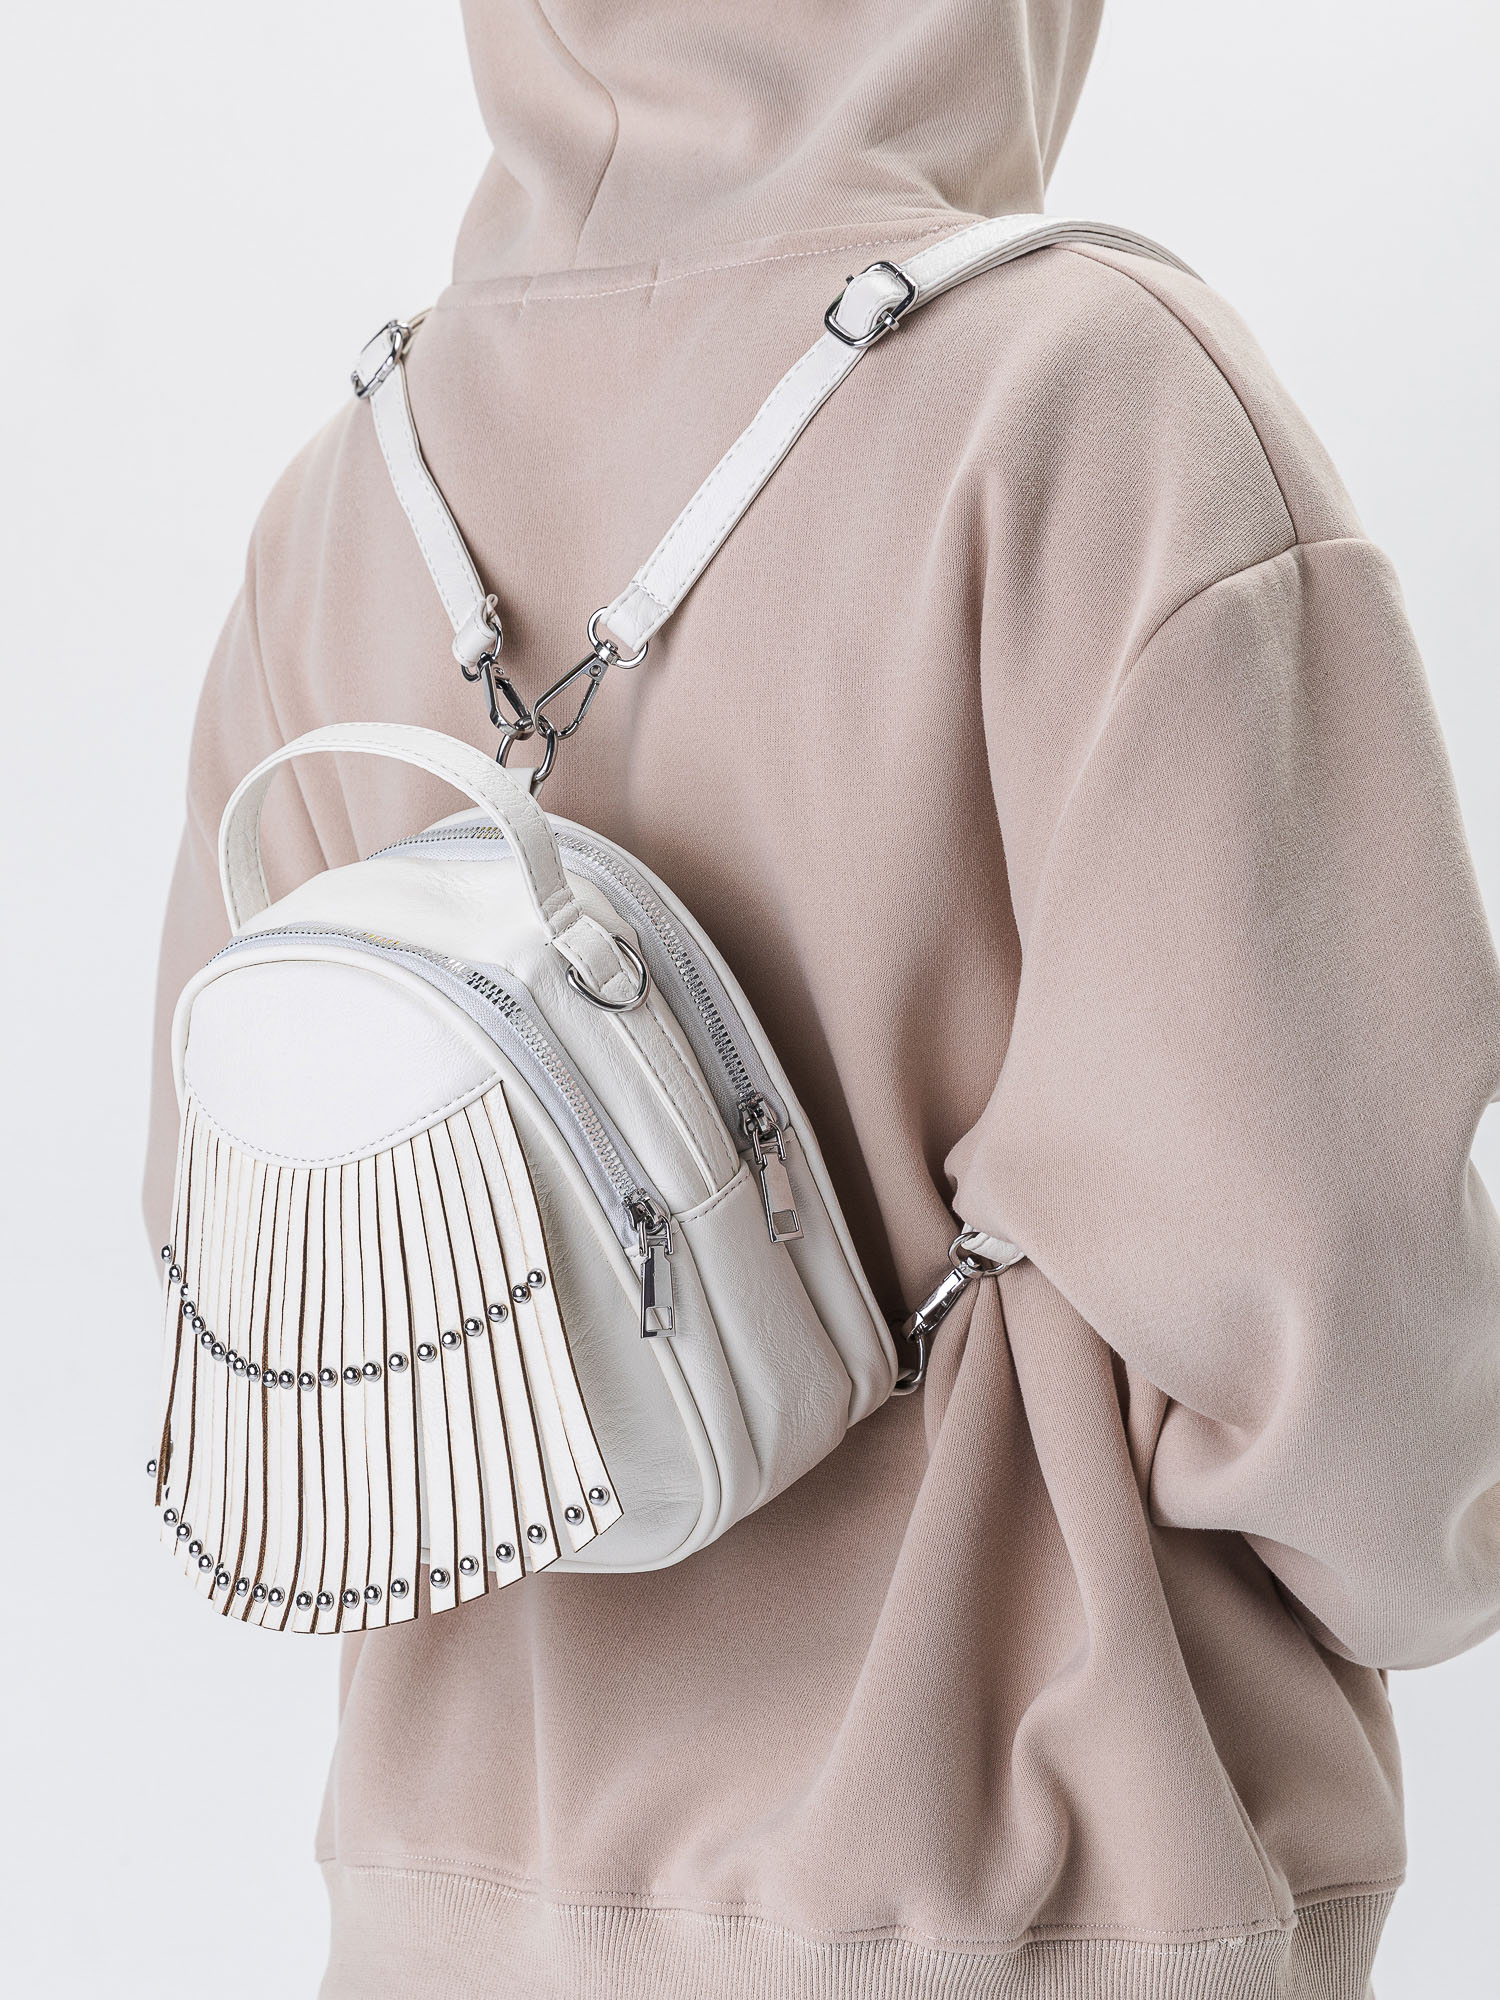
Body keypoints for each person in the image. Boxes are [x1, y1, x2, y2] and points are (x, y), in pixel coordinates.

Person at [145, 3, 1500, 1995]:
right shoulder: (1096, 404)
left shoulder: (341, 498)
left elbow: (245, 1256)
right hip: (1024, 1901)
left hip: (446, 1909)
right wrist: (1428, 1557)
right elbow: (1333, 1309)